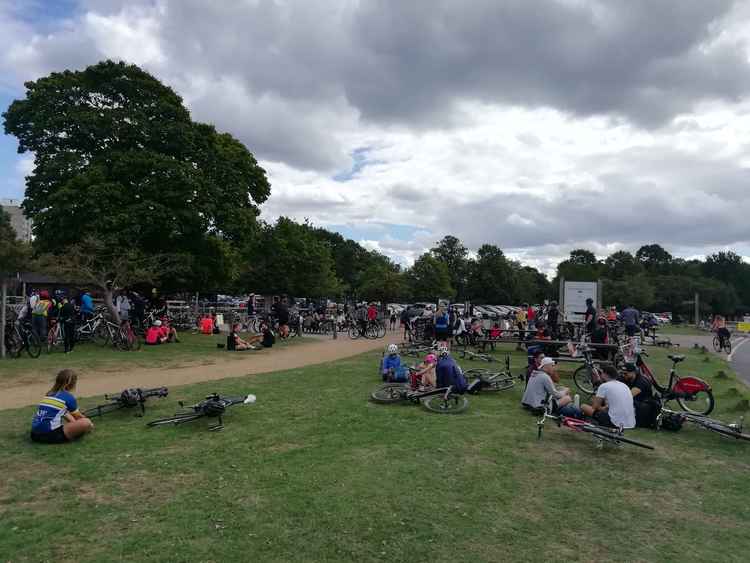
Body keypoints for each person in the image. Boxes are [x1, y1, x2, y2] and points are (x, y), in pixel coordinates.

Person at [30, 369, 93, 444]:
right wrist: (89, 424)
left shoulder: (49, 394)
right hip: (50, 435)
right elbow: (79, 417)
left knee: (71, 418)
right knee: (86, 422)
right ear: (70, 383)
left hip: (34, 435)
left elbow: (65, 413)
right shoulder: (68, 397)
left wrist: (75, 423)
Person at [581, 365, 635, 429]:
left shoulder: (604, 386)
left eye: (601, 373)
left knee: (583, 406)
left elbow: (594, 407)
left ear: (605, 374)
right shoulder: (624, 386)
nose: (600, 375)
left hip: (615, 423)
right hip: (630, 423)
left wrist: (602, 408)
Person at [621, 363, 658, 428]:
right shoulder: (626, 378)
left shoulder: (641, 382)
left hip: (642, 407)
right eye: (622, 373)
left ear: (633, 372)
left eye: (625, 374)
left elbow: (627, 396)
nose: (623, 375)